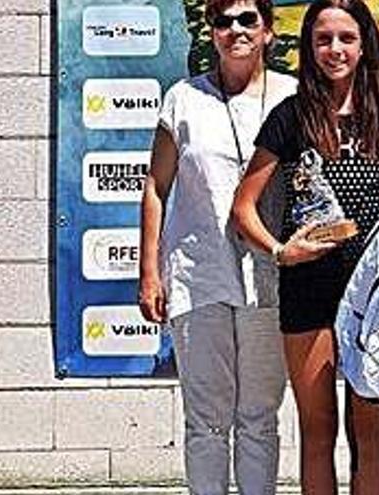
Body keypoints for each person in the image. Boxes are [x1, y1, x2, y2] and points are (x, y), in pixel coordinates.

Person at [231, 0, 379, 492]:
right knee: (317, 431)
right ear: (309, 47)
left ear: (363, 44)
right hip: (308, 286)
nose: (335, 49)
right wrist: (280, 251)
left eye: (346, 38)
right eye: (323, 39)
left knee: (369, 434)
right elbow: (243, 207)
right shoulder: (290, 115)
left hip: (373, 288)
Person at [137, 0, 296, 493]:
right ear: (211, 31)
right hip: (197, 274)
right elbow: (156, 186)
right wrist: (149, 272)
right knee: (205, 419)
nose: (235, 29)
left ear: (268, 30)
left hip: (269, 278)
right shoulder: (183, 97)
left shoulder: (294, 95)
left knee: (259, 417)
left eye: (247, 19)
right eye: (223, 20)